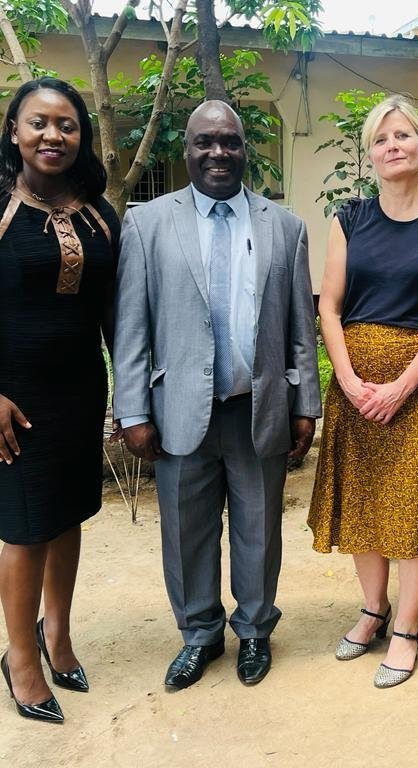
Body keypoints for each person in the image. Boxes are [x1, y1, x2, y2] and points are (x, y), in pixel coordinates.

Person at [113, 100, 321, 690]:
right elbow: (132, 326)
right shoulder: (149, 224)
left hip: (259, 408)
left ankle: (254, 630)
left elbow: (299, 327)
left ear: (244, 148)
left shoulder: (286, 227)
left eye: (229, 141)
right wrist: (132, 410)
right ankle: (200, 635)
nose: (218, 153)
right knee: (186, 532)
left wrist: (306, 404)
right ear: (186, 149)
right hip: (178, 411)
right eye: (205, 142)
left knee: (260, 529)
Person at [308, 94, 418, 688]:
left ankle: (406, 627)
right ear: (370, 154)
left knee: (414, 508)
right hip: (354, 385)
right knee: (363, 502)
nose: (392, 146)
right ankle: (373, 609)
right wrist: (347, 379)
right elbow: (329, 306)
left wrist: (401, 386)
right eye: (381, 139)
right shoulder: (349, 218)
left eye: (402, 135)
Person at [0, 77, 120, 723]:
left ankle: (58, 635)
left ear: (82, 135)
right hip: (13, 401)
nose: (53, 135)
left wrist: (129, 394)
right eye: (39, 123)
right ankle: (20, 659)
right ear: (14, 131)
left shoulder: (100, 214)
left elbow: (113, 313)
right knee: (25, 529)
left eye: (67, 125)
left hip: (80, 390)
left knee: (68, 515)